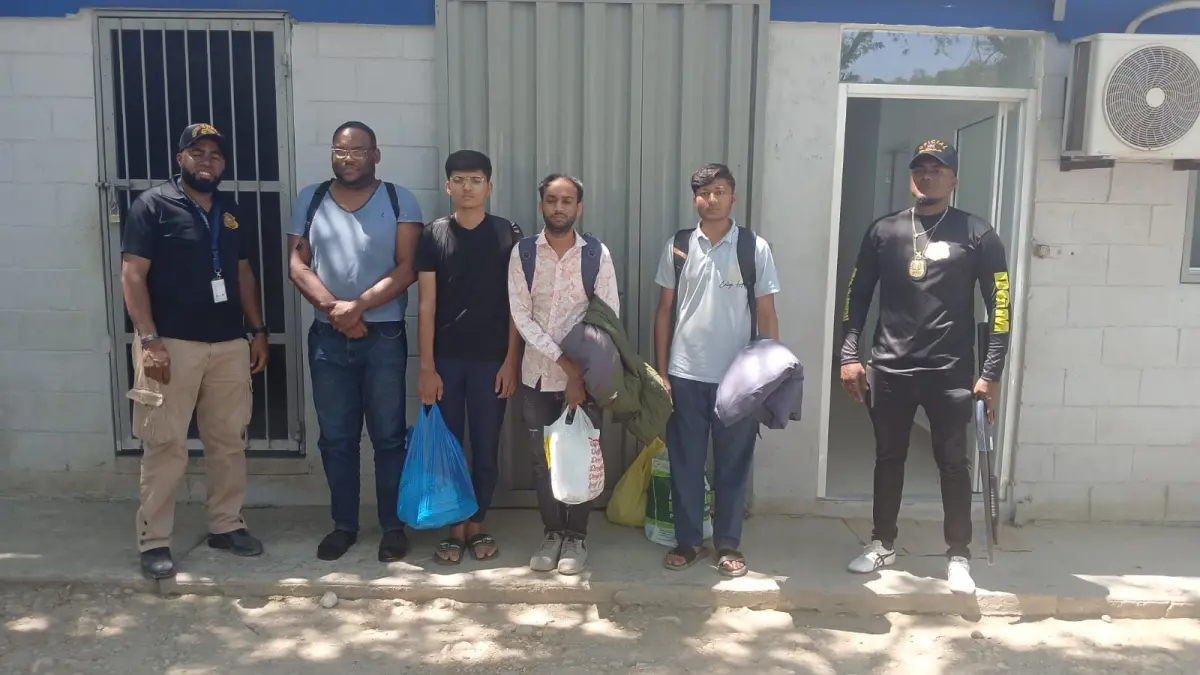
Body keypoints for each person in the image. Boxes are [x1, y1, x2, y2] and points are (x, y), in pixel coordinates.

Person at [840, 139, 1011, 595]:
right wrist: (849, 354)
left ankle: (958, 554)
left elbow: (1000, 304)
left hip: (950, 371)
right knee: (888, 457)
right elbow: (858, 294)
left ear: (954, 179)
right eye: (920, 169)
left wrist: (990, 373)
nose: (927, 176)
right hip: (891, 367)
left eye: (938, 169)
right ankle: (883, 542)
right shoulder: (884, 231)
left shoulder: (977, 233)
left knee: (952, 463)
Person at [120, 123, 270, 579]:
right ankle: (154, 540)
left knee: (228, 441)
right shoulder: (153, 205)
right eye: (198, 152)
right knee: (165, 443)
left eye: (215, 155)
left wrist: (258, 331)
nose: (207, 161)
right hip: (171, 344)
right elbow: (132, 275)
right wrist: (150, 340)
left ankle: (226, 525)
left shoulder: (230, 210)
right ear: (180, 158)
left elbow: (242, 273)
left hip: (227, 344)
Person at [286, 121, 423, 563]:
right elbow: (297, 264)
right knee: (336, 439)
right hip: (328, 339)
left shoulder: (400, 199)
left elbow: (407, 268)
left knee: (388, 438)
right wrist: (337, 312)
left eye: (358, 151)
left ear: (375, 155)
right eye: (340, 151)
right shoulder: (310, 199)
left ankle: (392, 528)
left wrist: (358, 307)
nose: (348, 159)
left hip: (384, 337)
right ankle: (344, 525)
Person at [653, 163, 780, 578]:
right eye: (704, 192)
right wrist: (662, 372)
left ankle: (727, 544)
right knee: (686, 462)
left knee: (733, 463)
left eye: (720, 191)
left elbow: (766, 312)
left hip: (739, 378)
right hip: (685, 373)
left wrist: (770, 373)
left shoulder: (754, 247)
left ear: (733, 197)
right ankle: (689, 541)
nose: (712, 199)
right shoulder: (678, 246)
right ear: (695, 199)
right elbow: (664, 310)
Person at [507, 174, 619, 576]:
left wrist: (580, 375)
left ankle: (577, 537)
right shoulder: (524, 253)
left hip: (584, 380)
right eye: (552, 200)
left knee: (582, 457)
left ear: (578, 207)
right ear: (542, 205)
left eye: (567, 201)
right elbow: (521, 316)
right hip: (538, 377)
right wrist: (564, 364)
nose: (559, 208)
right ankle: (552, 533)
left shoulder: (596, 255)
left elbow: (607, 317)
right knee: (543, 462)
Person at [415, 150, 522, 565]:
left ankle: (477, 524)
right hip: (446, 361)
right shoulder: (433, 235)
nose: (467, 188)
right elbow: (426, 305)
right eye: (459, 180)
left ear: (489, 187)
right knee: (449, 445)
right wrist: (426, 367)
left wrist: (511, 360)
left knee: (485, 444)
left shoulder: (506, 234)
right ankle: (454, 527)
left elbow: (516, 304)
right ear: (448, 186)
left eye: (476, 180)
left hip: (491, 361)